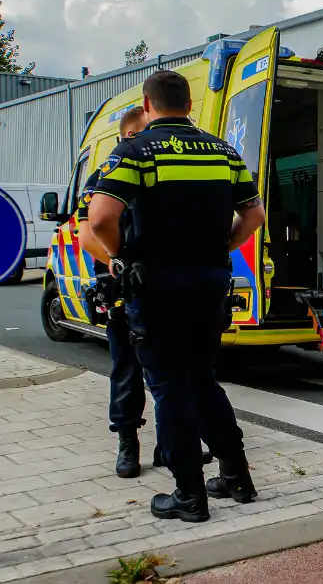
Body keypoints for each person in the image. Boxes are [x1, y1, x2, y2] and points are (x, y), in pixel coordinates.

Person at [88, 71, 266, 522]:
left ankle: (189, 496)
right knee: (203, 381)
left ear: (147, 105)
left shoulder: (135, 150)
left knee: (169, 389)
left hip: (157, 287)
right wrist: (222, 246)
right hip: (209, 284)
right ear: (190, 104)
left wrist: (119, 256)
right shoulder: (225, 152)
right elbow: (254, 214)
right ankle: (237, 477)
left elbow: (100, 217)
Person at [78, 108, 216, 480]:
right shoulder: (106, 173)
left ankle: (170, 444)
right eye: (142, 133)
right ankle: (127, 442)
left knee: (172, 370)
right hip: (122, 285)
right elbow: (87, 231)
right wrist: (117, 260)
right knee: (126, 366)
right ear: (126, 137)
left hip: (161, 285)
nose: (152, 140)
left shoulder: (162, 172)